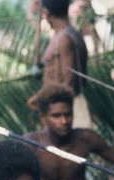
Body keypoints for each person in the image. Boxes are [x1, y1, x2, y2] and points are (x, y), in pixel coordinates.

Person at [23, 84, 114, 180]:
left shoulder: (86, 138)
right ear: (43, 118)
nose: (64, 121)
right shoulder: (32, 142)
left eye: (68, 114)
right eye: (56, 116)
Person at [37, 0, 91, 129]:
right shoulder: (64, 35)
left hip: (62, 111)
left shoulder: (65, 38)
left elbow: (69, 82)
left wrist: (56, 111)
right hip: (58, 109)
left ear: (45, 12)